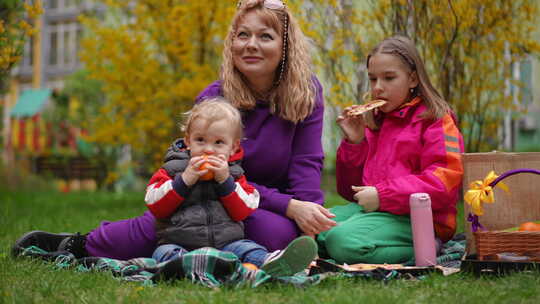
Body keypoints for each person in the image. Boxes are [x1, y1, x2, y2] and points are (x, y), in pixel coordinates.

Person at [12, 0, 336, 261]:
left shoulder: (305, 94)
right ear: (232, 42)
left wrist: (310, 219)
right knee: (162, 229)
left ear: (285, 46)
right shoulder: (213, 100)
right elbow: (194, 170)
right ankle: (80, 244)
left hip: (259, 208)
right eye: (243, 35)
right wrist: (289, 207)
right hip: (206, 200)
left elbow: (306, 165)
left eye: (265, 36)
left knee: (277, 234)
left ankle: (205, 253)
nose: (251, 45)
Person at [316, 35, 464, 265]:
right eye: (373, 79)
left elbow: (444, 182)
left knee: (340, 240)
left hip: (421, 218)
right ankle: (337, 246)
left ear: (413, 78)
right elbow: (350, 191)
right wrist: (355, 143)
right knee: (316, 226)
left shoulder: (435, 120)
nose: (378, 88)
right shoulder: (374, 122)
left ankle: (426, 248)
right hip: (378, 214)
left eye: (389, 78)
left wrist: (383, 196)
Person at [147, 99, 317, 276]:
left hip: (227, 244)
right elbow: (155, 205)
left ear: (233, 147)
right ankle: (198, 267)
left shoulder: (234, 175)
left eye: (219, 142)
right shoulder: (172, 170)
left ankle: (272, 263)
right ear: (188, 141)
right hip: (180, 243)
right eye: (200, 140)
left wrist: (225, 182)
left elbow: (244, 210)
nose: (208, 150)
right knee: (164, 253)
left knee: (249, 249)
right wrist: (184, 180)